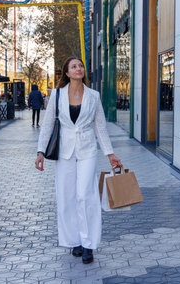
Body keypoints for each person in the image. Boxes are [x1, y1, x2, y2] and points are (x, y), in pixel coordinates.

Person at [35, 56, 122, 264]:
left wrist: (110, 154)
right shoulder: (56, 95)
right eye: (74, 66)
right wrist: (40, 151)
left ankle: (89, 243)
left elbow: (100, 126)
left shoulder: (93, 96)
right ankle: (74, 240)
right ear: (66, 72)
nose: (78, 68)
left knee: (86, 195)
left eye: (81, 66)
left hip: (87, 150)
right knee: (66, 197)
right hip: (64, 150)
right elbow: (47, 125)